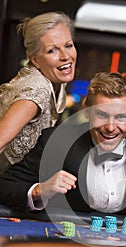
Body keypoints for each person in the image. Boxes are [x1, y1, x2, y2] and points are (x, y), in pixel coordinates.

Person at [0, 72, 126, 239]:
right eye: (102, 115)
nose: (110, 127)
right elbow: (5, 185)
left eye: (121, 117)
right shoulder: (58, 141)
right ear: (86, 110)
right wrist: (40, 191)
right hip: (67, 246)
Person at [0, 12, 77, 174]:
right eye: (52, 51)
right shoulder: (37, 92)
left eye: (68, 45)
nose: (65, 56)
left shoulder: (55, 79)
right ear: (34, 60)